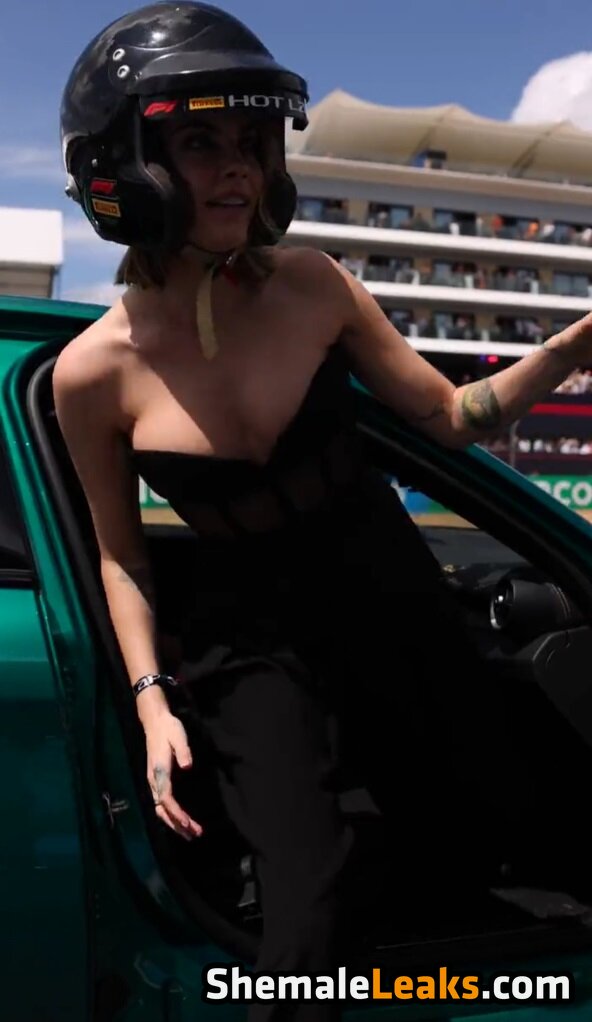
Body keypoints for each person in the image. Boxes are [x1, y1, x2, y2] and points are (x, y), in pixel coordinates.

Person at [54, 3, 592, 1018]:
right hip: (245, 642)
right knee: (304, 906)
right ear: (125, 166)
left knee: (510, 826)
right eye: (201, 144)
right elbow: (121, 559)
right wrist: (153, 699)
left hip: (387, 592)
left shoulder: (315, 287)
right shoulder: (91, 373)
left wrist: (570, 348)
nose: (237, 169)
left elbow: (452, 418)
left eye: (253, 145)